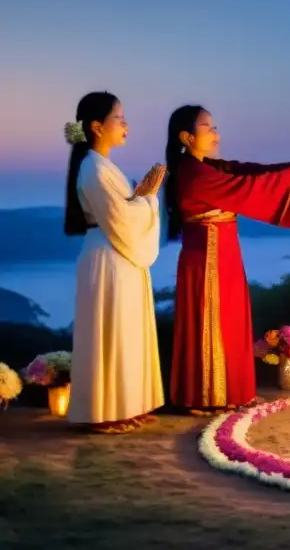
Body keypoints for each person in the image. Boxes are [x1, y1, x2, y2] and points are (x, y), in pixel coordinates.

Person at [164, 105, 290, 413]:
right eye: (207, 127)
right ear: (186, 136)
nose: (215, 133)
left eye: (214, 126)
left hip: (224, 255)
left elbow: (251, 171)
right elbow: (248, 185)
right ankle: (207, 396)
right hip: (208, 260)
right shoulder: (193, 173)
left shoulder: (209, 167)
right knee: (212, 321)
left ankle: (232, 392)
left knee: (231, 320)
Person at [64, 91, 166, 433]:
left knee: (126, 333)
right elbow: (120, 216)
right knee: (111, 334)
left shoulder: (103, 166)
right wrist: (148, 196)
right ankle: (103, 411)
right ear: (96, 127)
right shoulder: (94, 167)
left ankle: (128, 404)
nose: (126, 125)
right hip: (108, 257)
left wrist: (141, 196)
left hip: (120, 255)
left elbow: (123, 212)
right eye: (119, 118)